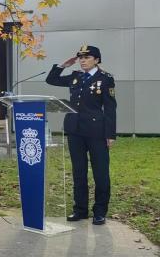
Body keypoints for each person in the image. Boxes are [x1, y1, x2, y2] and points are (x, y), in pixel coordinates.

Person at [45, 45, 117, 226]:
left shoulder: (105, 78)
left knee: (100, 173)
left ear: (97, 60)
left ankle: (100, 211)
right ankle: (80, 210)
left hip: (96, 132)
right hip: (74, 130)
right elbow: (51, 80)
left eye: (87, 57)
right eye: (81, 57)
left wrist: (110, 134)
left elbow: (110, 108)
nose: (83, 60)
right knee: (79, 172)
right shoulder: (76, 76)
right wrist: (63, 65)